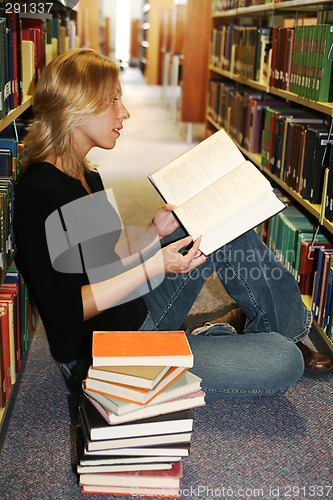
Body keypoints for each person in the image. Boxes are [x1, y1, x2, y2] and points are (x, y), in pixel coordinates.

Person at [13, 49, 332, 400]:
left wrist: (154, 232)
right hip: (105, 355)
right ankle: (224, 336)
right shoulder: (41, 194)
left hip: (133, 310)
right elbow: (67, 310)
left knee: (215, 220)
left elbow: (102, 258)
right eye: (113, 101)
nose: (125, 112)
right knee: (284, 362)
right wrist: (155, 265)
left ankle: (281, 330)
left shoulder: (82, 173)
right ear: (77, 106)